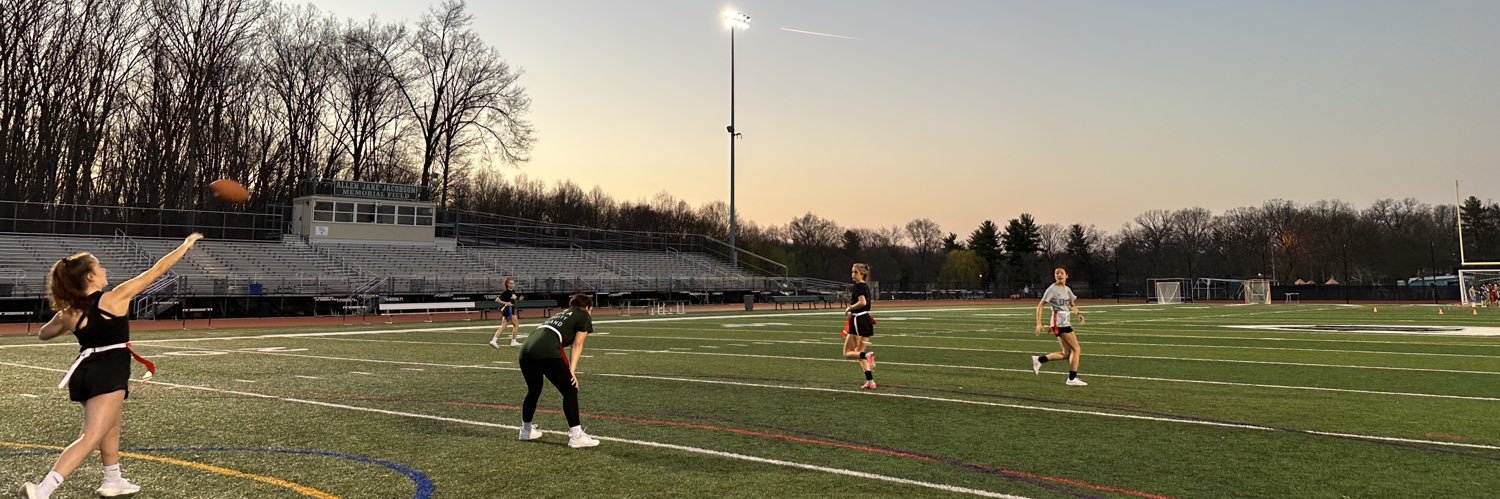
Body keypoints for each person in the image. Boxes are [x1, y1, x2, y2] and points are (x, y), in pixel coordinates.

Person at [21, 233, 202, 499]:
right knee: (90, 436)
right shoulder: (115, 297)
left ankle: (113, 480)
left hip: (85, 372)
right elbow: (157, 270)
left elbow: (44, 334)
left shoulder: (69, 313)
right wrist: (185, 246)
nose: (104, 270)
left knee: (110, 426)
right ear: (91, 277)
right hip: (108, 371)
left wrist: (70, 318)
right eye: (100, 267)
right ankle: (43, 490)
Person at [516, 293, 600, 448]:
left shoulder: (562, 313)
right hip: (547, 350)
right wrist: (572, 371)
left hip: (526, 350)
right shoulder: (583, 315)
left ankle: (525, 430)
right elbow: (577, 345)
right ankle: (576, 436)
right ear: (588, 307)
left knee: (533, 390)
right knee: (570, 390)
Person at [1032, 267, 1088, 386]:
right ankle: (1072, 378)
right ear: (1054, 276)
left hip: (1065, 322)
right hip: (1059, 323)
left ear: (1066, 275)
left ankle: (1039, 360)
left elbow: (1072, 304)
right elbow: (1040, 306)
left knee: (1067, 353)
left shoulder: (1067, 289)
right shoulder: (1051, 289)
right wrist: (1038, 323)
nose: (1059, 275)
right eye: (1057, 273)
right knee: (1077, 349)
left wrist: (1078, 313)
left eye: (1061, 273)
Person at [841, 263, 877, 389]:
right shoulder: (865, 286)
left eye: (855, 272)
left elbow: (862, 302)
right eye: (852, 272)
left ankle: (867, 355)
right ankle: (870, 381)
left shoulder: (858, 287)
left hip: (859, 321)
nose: (853, 274)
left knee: (847, 353)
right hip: (866, 319)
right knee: (859, 354)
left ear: (862, 274)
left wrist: (850, 307)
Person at [488, 278, 524, 348]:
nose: (512, 284)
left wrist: (519, 299)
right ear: (507, 284)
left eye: (513, 283)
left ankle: (493, 340)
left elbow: (513, 300)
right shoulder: (506, 292)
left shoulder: (512, 291)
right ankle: (513, 341)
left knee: (503, 326)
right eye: (510, 283)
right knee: (516, 325)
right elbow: (497, 300)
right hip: (508, 309)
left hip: (509, 309)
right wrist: (506, 303)